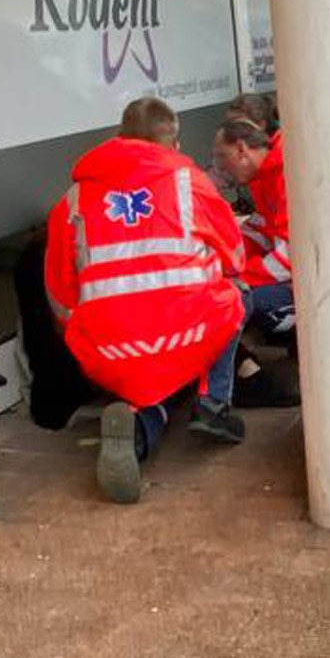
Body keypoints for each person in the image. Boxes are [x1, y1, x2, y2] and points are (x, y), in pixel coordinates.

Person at [45, 97, 247, 504]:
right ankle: (212, 403)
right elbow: (235, 258)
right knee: (235, 296)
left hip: (107, 348)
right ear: (171, 145)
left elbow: (60, 294)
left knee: (144, 382)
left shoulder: (72, 199)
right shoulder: (189, 183)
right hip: (185, 334)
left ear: (118, 137)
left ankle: (136, 428)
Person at [211, 118, 298, 339]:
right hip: (294, 272)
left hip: (309, 282)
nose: (220, 167)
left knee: (247, 301)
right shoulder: (264, 174)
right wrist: (229, 254)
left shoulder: (286, 173)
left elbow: (290, 257)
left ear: (241, 149)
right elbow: (262, 226)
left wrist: (241, 275)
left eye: (223, 156)